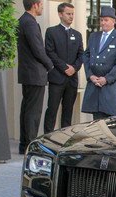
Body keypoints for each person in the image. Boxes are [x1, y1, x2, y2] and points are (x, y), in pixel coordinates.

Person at [17, 0, 53, 154]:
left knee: (26, 108)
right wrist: (49, 64)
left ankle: (24, 144)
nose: (42, 7)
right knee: (33, 111)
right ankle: (30, 145)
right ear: (35, 5)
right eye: (41, 4)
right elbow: (38, 49)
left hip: (27, 72)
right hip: (34, 73)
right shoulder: (30, 23)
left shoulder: (22, 21)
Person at [43, 2, 84, 134]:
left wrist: (74, 68)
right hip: (57, 78)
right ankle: (49, 137)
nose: (71, 16)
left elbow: (81, 55)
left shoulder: (77, 35)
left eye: (72, 14)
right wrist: (64, 68)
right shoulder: (51, 32)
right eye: (68, 14)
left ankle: (65, 139)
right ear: (60, 14)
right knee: (52, 110)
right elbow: (50, 53)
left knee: (68, 111)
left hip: (72, 80)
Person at [81, 6, 116, 120]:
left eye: (106, 20)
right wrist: (90, 76)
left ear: (113, 21)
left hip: (109, 86)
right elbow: (86, 56)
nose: (103, 23)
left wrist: (106, 79)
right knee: (97, 121)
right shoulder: (93, 36)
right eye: (101, 20)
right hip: (94, 84)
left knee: (112, 121)